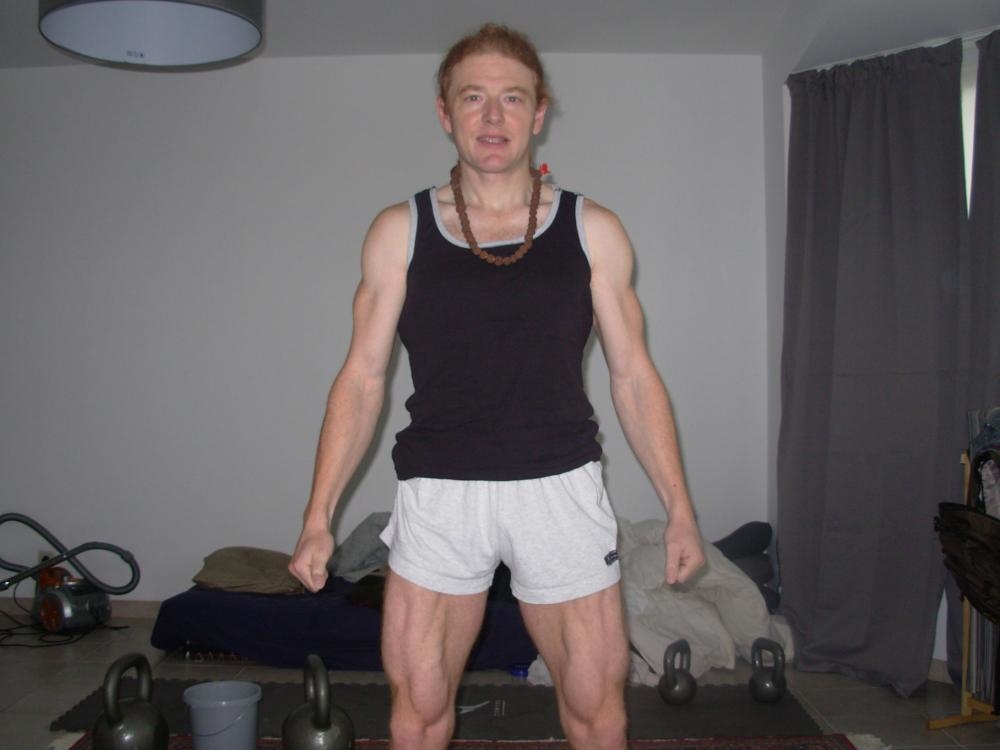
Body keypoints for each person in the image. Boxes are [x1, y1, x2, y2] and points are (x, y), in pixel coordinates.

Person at [289, 23, 705, 750]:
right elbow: (362, 378)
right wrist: (319, 514)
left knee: (597, 711)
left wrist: (679, 509)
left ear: (538, 113)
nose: (492, 115)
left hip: (560, 486)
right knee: (417, 713)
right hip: (440, 491)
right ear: (445, 113)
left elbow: (633, 375)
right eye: (472, 97)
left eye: (511, 98)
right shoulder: (398, 230)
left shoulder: (594, 229)